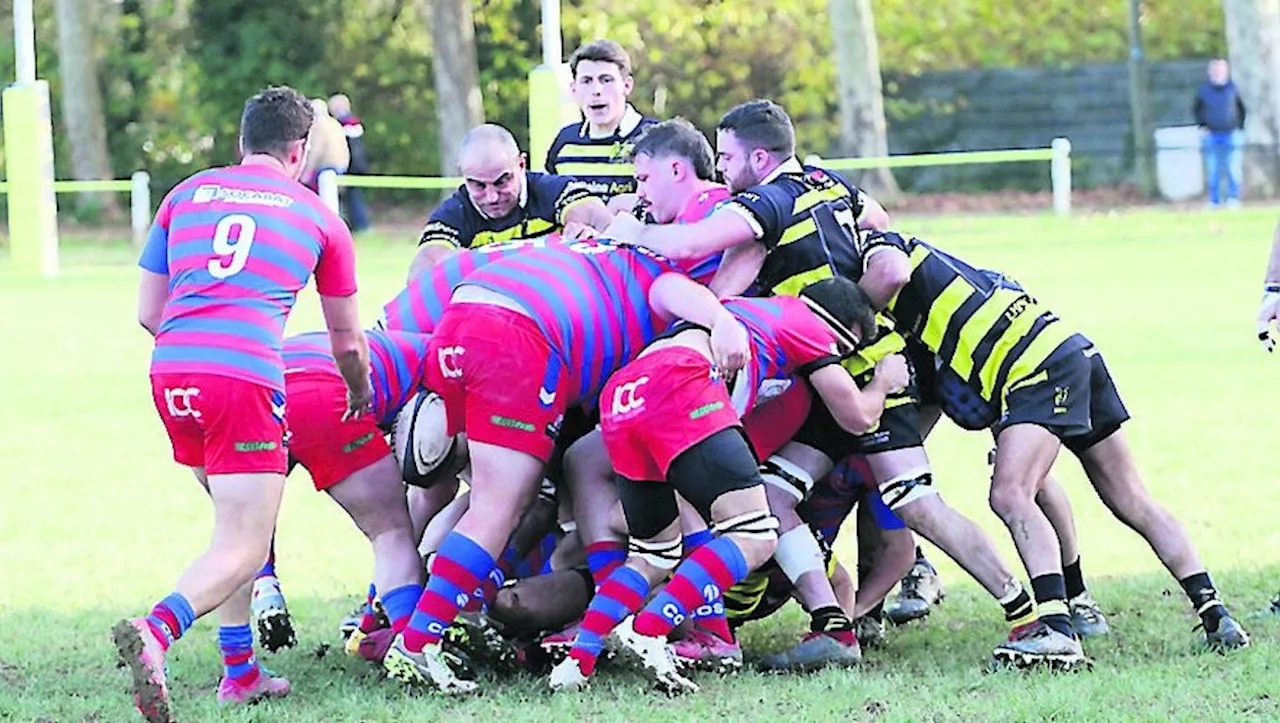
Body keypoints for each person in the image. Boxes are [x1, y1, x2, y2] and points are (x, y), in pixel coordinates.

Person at [856, 228, 1251, 658]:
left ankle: (1058, 628)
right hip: (1071, 348)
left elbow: (892, 277)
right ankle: (1215, 613)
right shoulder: (961, 283)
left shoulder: (891, 277)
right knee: (1125, 496)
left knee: (1010, 493)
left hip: (1034, 370)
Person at [381, 237, 740, 695]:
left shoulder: (592, 253)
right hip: (518, 333)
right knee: (499, 505)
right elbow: (674, 291)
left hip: (462, 318)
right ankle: (419, 639)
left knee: (495, 493)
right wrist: (720, 318)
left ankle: (449, 611)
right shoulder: (653, 271)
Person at [114, 85, 372, 723]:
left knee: (231, 534)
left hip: (172, 370)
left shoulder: (185, 194)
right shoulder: (318, 217)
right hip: (245, 377)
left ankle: (241, 673)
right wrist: (360, 391)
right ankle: (157, 630)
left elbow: (149, 311)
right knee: (246, 544)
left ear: (241, 143)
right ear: (300, 150)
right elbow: (347, 340)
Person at [547, 279, 901, 693]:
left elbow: (663, 289)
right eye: (842, 352)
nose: (835, 361)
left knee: (652, 554)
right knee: (757, 534)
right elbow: (858, 417)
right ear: (838, 331)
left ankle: (578, 661)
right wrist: (883, 382)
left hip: (624, 395)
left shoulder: (745, 312)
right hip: (678, 383)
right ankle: (648, 630)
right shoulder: (806, 323)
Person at [407, 124, 613, 281]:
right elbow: (421, 268)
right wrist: (448, 264)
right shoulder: (453, 214)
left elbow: (597, 217)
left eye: (502, 181)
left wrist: (581, 230)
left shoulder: (552, 189)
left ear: (521, 164)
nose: (492, 196)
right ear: (463, 174)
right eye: (478, 185)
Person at [546, 39, 659, 200]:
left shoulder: (656, 139)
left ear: (627, 86)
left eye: (606, 80)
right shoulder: (564, 142)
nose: (596, 90)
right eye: (586, 81)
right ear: (574, 89)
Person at [1194, 58, 1246, 209]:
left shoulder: (1233, 89)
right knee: (1213, 169)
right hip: (1211, 135)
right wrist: (1203, 127)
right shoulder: (1203, 91)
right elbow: (1197, 110)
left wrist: (1239, 127)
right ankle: (1214, 200)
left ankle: (1233, 199)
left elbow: (1242, 110)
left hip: (1231, 134)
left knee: (1233, 168)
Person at [328, 93, 373, 232]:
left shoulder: (345, 125)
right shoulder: (355, 123)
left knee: (354, 198)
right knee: (353, 197)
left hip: (351, 166)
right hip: (357, 165)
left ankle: (361, 226)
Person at [301, 98, 350, 194]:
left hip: (325, 168)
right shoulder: (335, 124)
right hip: (341, 167)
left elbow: (315, 151)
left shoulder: (318, 126)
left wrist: (306, 172)